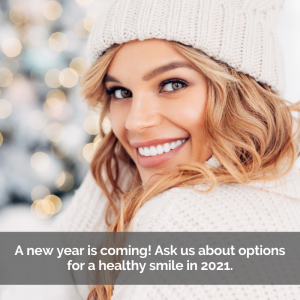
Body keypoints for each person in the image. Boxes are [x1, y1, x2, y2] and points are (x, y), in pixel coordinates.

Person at [3, 0, 300, 299]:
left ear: (242, 92)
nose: (136, 121)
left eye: (172, 84)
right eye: (120, 92)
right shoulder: (283, 188)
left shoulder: (181, 224)